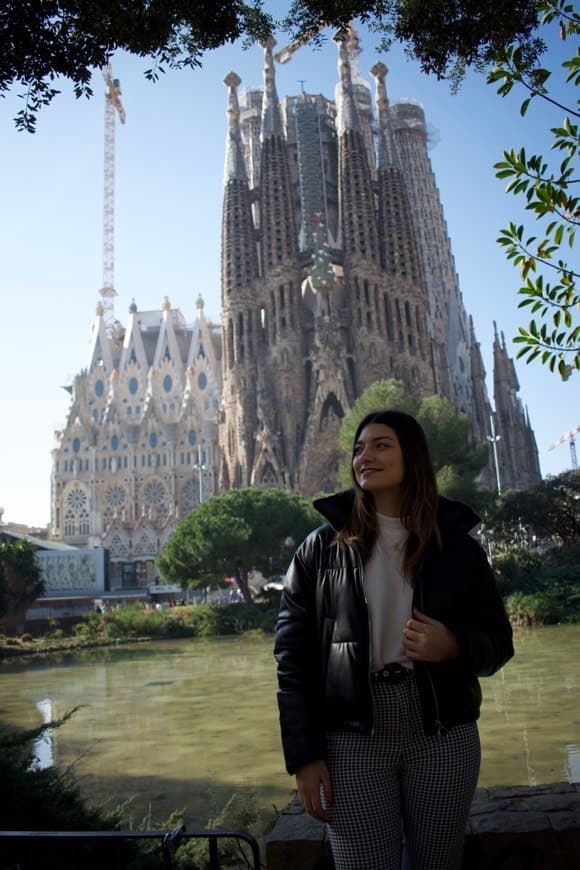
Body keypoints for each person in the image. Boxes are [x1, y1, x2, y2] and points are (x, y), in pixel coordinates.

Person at [274, 410, 514, 870]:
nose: (365, 456)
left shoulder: (456, 546)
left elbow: (499, 642)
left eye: (382, 445)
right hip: (352, 733)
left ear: (413, 457)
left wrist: (455, 644)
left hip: (441, 727)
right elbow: (292, 658)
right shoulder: (319, 550)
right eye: (359, 448)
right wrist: (303, 755)